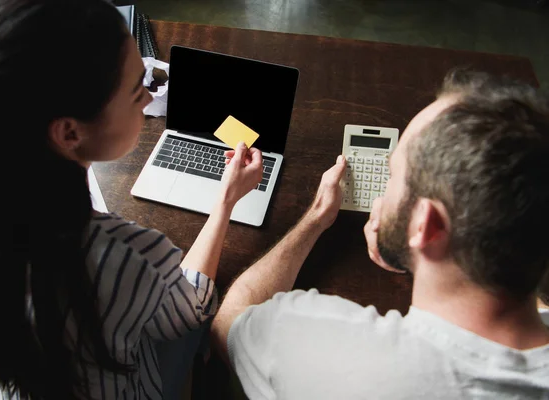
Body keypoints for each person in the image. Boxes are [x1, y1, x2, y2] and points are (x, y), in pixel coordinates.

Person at [0, 0, 262, 399]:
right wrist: (226, 199)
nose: (150, 101)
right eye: (137, 91)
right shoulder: (119, 253)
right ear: (68, 132)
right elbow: (188, 309)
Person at [211, 69, 549, 399]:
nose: (383, 193)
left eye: (391, 176)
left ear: (426, 225)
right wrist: (422, 255)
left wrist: (314, 218)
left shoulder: (311, 340)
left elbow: (229, 321)